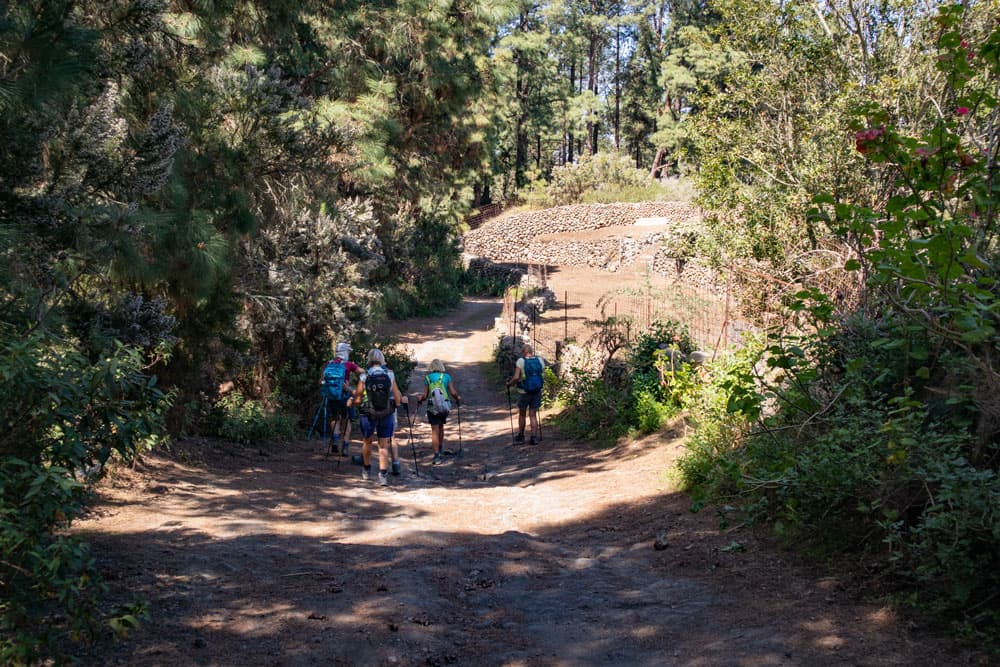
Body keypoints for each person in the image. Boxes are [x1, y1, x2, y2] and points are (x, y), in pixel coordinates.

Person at [350, 348, 405, 486]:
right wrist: (397, 403)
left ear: (369, 359)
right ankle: (383, 475)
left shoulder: (364, 376)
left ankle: (366, 471)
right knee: (383, 445)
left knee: (367, 441)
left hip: (368, 413)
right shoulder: (389, 374)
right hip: (386, 413)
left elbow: (357, 399)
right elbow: (397, 397)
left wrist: (352, 402)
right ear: (382, 359)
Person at [416, 359, 463, 465]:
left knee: (434, 430)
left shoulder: (428, 378)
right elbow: (453, 392)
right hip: (444, 406)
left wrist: (420, 399)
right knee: (441, 427)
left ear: (431, 367)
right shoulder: (446, 377)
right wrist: (457, 398)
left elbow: (425, 395)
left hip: (432, 407)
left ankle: (436, 456)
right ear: (441, 367)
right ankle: (440, 448)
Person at [320, 342, 362, 455]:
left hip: (332, 396)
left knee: (335, 418)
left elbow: (322, 381)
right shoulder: (349, 365)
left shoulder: (329, 363)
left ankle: (335, 439)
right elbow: (363, 373)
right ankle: (345, 446)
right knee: (347, 420)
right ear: (345, 352)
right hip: (345, 396)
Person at [507, 343, 544, 445]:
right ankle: (534, 437)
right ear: (532, 351)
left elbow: (516, 377)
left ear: (524, 352)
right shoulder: (540, 360)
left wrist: (509, 384)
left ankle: (521, 436)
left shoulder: (521, 361)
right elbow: (541, 374)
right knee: (533, 415)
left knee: (522, 414)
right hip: (536, 391)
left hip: (524, 392)